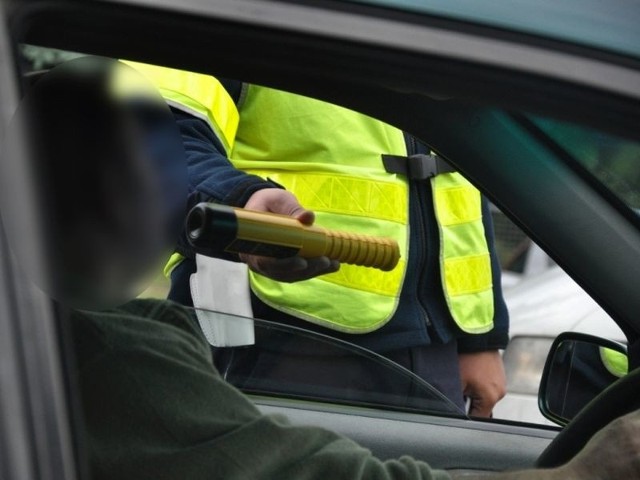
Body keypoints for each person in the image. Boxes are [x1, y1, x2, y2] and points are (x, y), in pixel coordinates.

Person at [125, 61, 509, 416]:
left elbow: (458, 178)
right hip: (271, 339)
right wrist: (239, 204)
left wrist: (482, 340)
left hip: (434, 353)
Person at [70, 297, 640, 480]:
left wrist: (476, 337)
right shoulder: (107, 355)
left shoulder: (126, 333)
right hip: (302, 337)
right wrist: (587, 474)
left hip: (423, 347)